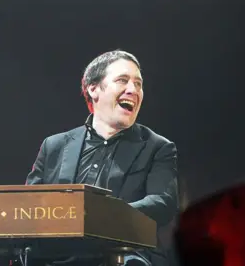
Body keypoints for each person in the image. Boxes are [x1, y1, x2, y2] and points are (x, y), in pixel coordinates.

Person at [26, 50, 179, 266]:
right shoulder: (54, 146)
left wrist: (97, 216)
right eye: (122, 80)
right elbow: (28, 206)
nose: (133, 90)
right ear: (94, 88)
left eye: (138, 84)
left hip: (125, 256)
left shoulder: (157, 147)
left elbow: (163, 203)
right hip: (58, 258)